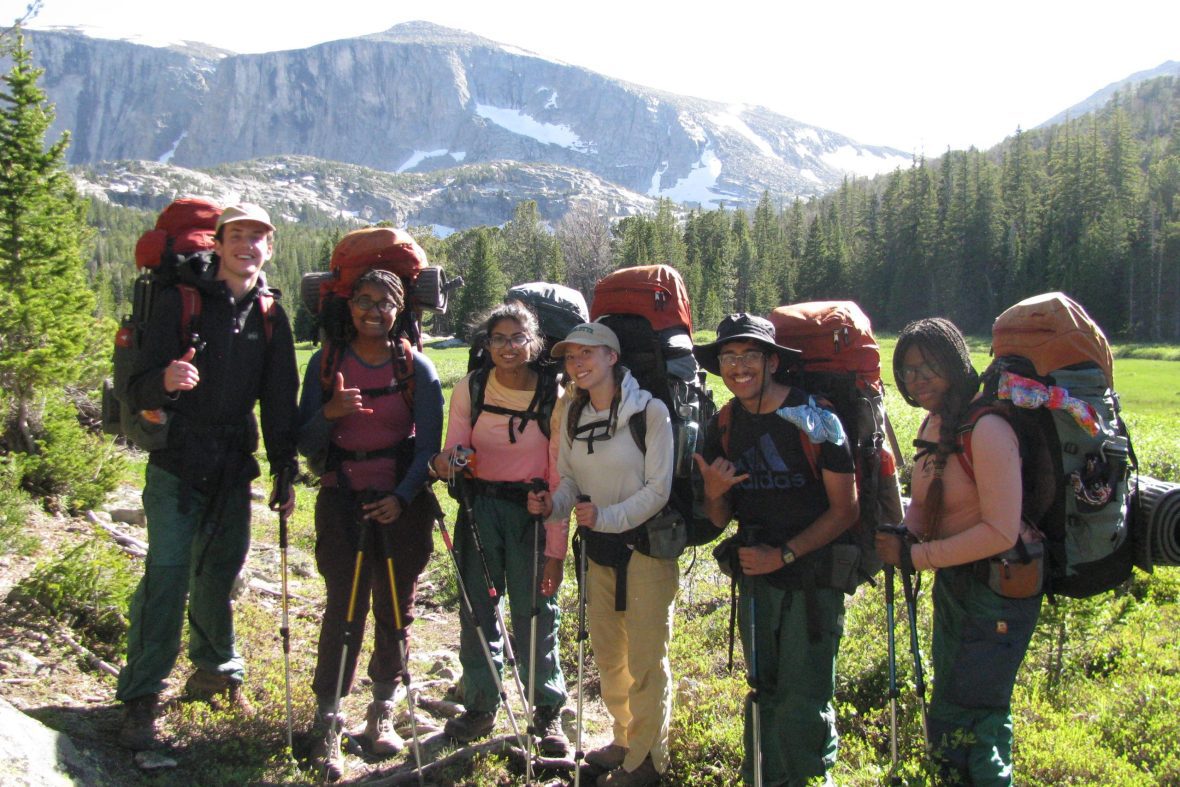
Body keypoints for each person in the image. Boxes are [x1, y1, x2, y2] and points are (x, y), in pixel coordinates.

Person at [115, 203, 299, 750]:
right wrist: (165, 380)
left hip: (232, 467)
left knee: (219, 574)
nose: (247, 245)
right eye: (236, 235)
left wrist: (284, 469)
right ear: (217, 244)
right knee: (168, 576)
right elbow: (135, 387)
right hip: (176, 460)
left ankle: (215, 673)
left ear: (270, 248)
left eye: (257, 237)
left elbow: (279, 401)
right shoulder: (181, 300)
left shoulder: (271, 315)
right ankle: (141, 696)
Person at [692, 313, 859, 787]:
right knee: (763, 691)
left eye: (749, 355)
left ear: (772, 362)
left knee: (804, 698)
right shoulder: (725, 423)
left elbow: (845, 510)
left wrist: (783, 554)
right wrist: (714, 492)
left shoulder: (817, 418)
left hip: (812, 582)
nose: (738, 366)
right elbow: (719, 518)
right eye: (729, 357)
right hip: (757, 582)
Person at [875, 317, 1041, 786]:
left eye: (928, 366)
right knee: (952, 701)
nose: (917, 379)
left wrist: (916, 557)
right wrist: (904, 535)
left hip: (998, 590)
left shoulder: (987, 429)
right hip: (961, 585)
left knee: (979, 715)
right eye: (907, 371)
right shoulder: (935, 423)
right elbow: (926, 504)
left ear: (954, 363)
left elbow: (1000, 532)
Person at [297, 267, 444, 780]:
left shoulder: (416, 367)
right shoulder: (325, 363)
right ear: (350, 305)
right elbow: (305, 441)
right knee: (344, 609)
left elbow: (428, 448)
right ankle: (328, 720)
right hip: (342, 500)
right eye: (364, 300)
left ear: (399, 310)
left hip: (402, 504)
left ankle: (381, 710)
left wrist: (402, 498)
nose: (373, 311)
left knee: (395, 607)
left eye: (385, 303)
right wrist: (331, 413)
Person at [528, 321, 675, 787]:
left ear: (612, 357)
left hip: (646, 548)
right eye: (571, 357)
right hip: (599, 548)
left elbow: (659, 490)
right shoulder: (572, 411)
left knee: (646, 659)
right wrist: (553, 506)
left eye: (587, 353)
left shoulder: (649, 412)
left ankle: (648, 759)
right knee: (610, 655)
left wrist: (606, 518)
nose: (577, 363)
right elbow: (569, 480)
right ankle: (624, 738)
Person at [431, 301, 569, 755]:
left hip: (533, 513)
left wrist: (556, 546)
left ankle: (546, 710)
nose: (508, 347)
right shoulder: (471, 387)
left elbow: (559, 475)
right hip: (479, 509)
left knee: (536, 610)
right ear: (487, 344)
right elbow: (452, 450)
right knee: (478, 610)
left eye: (517, 338)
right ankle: (480, 703)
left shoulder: (555, 396)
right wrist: (452, 462)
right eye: (498, 339)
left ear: (535, 343)